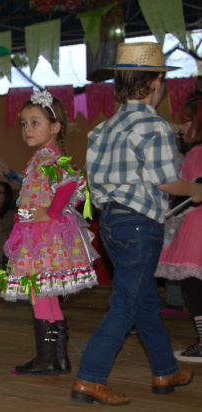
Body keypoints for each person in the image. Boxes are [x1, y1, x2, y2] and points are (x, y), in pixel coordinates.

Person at [72, 42, 200, 405]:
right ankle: (90, 377)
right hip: (142, 224)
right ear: (158, 81)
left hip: (111, 221)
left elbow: (94, 185)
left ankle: (165, 368)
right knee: (127, 303)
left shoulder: (101, 130)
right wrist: (194, 189)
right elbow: (167, 182)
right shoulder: (155, 126)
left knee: (143, 301)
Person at [0, 90, 98, 376]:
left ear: (55, 127)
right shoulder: (47, 155)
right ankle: (58, 358)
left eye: (35, 122)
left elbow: (69, 185)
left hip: (43, 236)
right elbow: (75, 185)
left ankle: (47, 359)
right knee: (46, 294)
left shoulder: (47, 156)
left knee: (39, 293)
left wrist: (49, 212)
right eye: (23, 123)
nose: (27, 129)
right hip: (44, 234)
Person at [155, 87, 202, 362]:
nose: (180, 127)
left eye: (185, 121)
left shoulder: (196, 151)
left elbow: (191, 190)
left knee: (194, 284)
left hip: (196, 225)